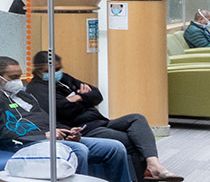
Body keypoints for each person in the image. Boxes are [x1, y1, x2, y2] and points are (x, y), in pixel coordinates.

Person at [0, 56, 131, 182]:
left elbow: (45, 119)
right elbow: (2, 133)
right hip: (24, 144)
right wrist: (44, 136)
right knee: (78, 150)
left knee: (114, 148)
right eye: (13, 77)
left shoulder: (22, 95)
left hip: (50, 139)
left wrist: (66, 132)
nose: (19, 81)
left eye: (19, 76)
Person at [34, 51, 183, 181]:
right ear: (39, 71)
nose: (57, 72)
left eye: (58, 68)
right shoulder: (37, 88)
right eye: (51, 69)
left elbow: (97, 94)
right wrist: (83, 97)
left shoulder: (63, 79)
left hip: (100, 121)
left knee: (137, 118)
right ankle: (142, 175)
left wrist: (78, 98)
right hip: (85, 128)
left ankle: (153, 165)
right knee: (131, 142)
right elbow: (63, 109)